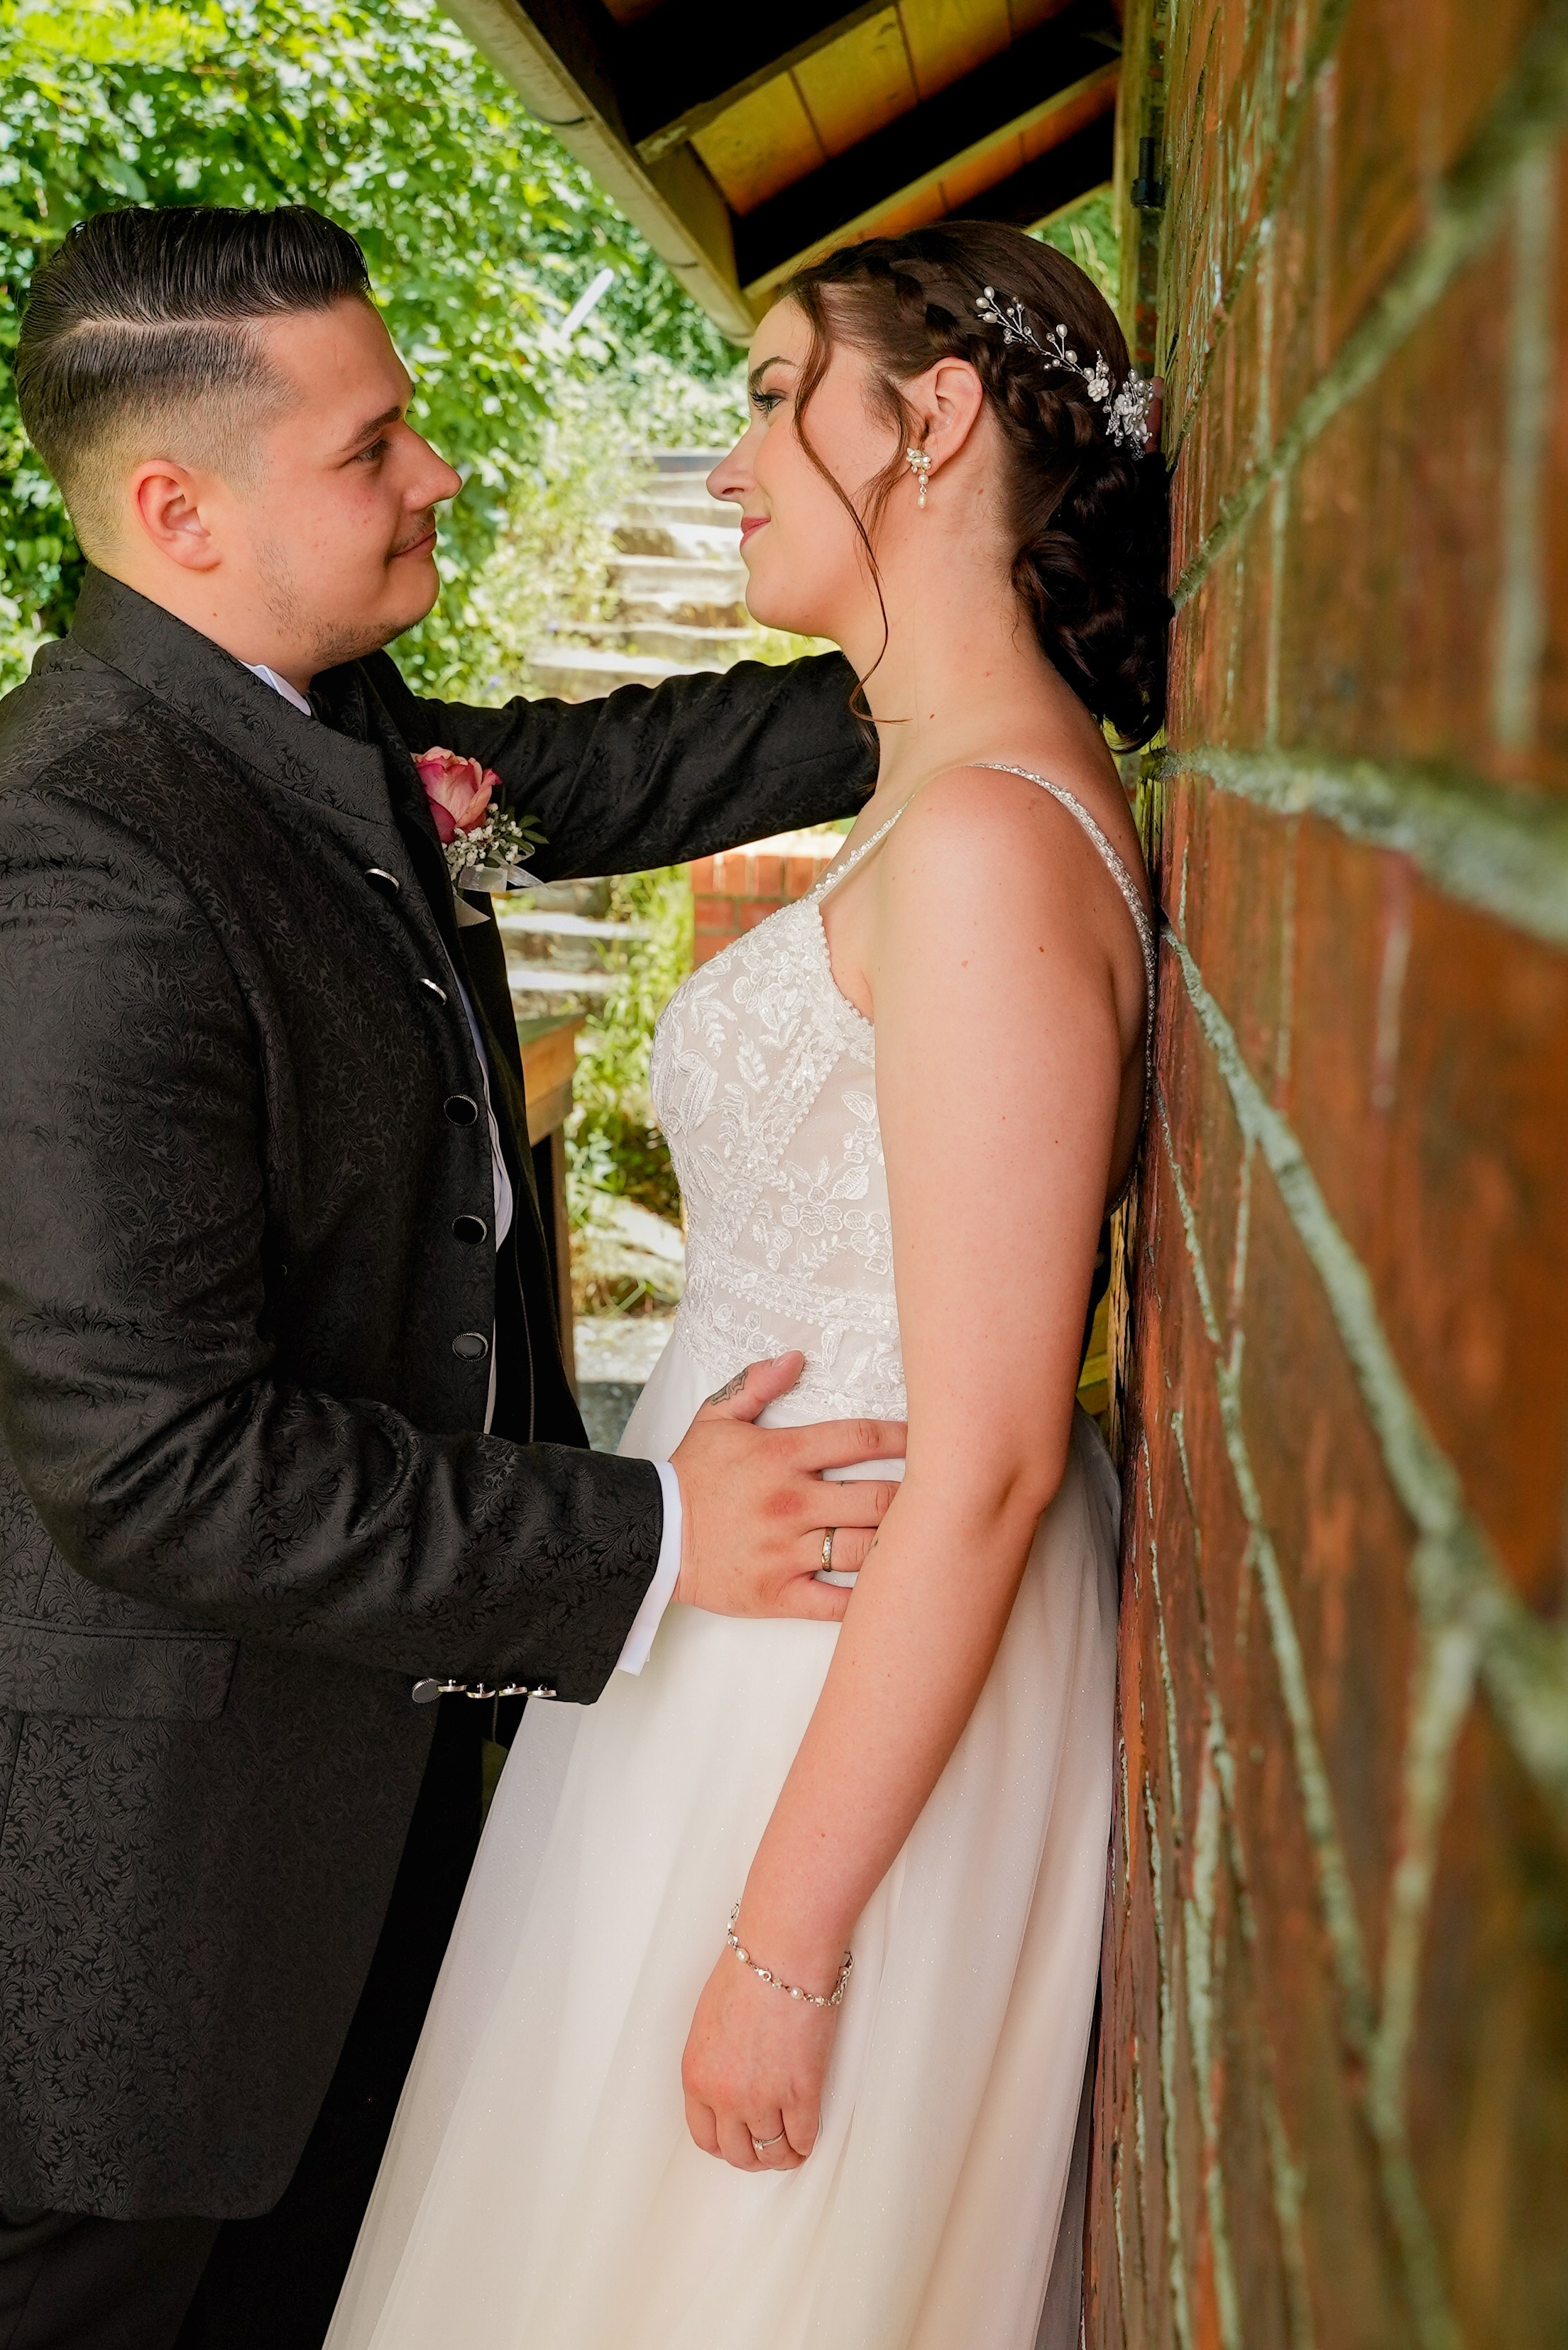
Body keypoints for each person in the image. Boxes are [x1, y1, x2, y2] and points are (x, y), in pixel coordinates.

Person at [0, 203, 906, 2350]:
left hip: (365, 1762)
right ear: (177, 504)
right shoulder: (65, 871)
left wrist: (985, 636)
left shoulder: (315, 729)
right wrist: (637, 1524)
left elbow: (598, 780)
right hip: (148, 1856)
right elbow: (155, 1466)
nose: (431, 471)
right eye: (373, 446)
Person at [323, 219, 1170, 2350]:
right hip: (751, 1631)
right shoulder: (933, 790)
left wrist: (781, 1945)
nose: (729, 462)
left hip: (856, 1663)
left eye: (771, 393)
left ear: (935, 423)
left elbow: (982, 1454)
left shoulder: (982, 842)